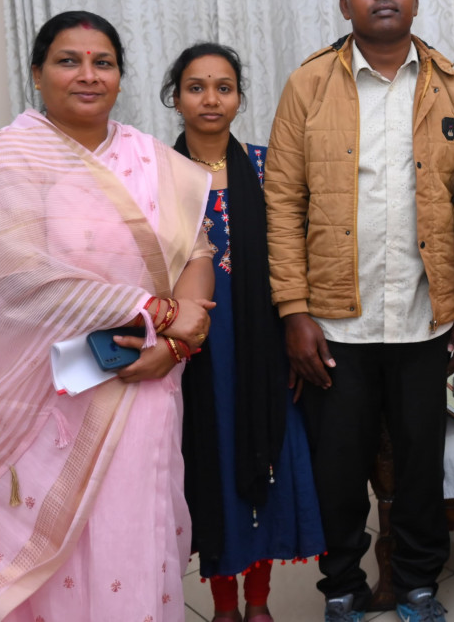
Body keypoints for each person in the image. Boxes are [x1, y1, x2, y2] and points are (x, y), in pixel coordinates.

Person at [0, 11, 215, 621]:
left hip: (148, 378)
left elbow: (195, 252)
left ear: (120, 75)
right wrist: (160, 312)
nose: (88, 75)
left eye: (104, 63)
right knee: (60, 535)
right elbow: (15, 277)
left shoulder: (152, 158)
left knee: (136, 527)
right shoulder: (9, 158)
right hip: (49, 385)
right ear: (37, 73)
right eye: (68, 61)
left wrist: (176, 343)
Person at [264, 0, 454, 622]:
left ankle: (417, 585)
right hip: (334, 324)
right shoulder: (308, 85)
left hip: (423, 319)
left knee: (421, 466)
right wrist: (294, 310)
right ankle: (342, 588)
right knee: (336, 468)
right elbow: (281, 203)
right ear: (344, 3)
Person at [162, 43, 325, 622]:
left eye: (224, 87)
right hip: (190, 350)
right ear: (175, 98)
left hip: (263, 346)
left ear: (239, 98)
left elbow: (297, 255)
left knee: (266, 461)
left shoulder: (266, 165)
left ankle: (258, 605)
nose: (211, 99)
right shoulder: (155, 174)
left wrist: (294, 339)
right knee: (208, 464)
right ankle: (223, 606)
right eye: (196, 87)